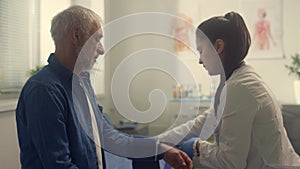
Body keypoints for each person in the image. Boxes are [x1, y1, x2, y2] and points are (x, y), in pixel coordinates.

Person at [15, 5, 192, 169]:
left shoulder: (82, 83)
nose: (101, 49)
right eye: (97, 39)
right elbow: (59, 165)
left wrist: (161, 149)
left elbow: (111, 138)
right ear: (76, 35)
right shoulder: (44, 90)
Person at [159, 11, 300, 168]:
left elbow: (230, 163)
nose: (200, 60)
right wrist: (160, 141)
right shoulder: (238, 78)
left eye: (201, 51)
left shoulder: (240, 87)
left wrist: (196, 146)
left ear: (218, 46)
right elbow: (204, 121)